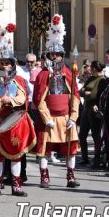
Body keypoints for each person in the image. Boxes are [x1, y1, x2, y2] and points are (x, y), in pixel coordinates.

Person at [0, 27, 33, 197]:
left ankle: (16, 185)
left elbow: (22, 98)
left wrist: (9, 100)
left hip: (14, 122)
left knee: (15, 155)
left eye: (7, 62)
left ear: (12, 64)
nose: (5, 65)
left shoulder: (19, 80)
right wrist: (0, 100)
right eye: (2, 63)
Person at [32, 15, 81, 188]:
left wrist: (73, 118)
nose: (55, 57)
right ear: (47, 55)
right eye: (52, 54)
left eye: (58, 55)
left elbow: (75, 96)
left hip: (66, 118)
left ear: (62, 56)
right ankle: (44, 177)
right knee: (44, 150)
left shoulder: (69, 72)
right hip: (49, 119)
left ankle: (71, 176)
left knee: (71, 149)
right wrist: (47, 118)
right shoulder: (42, 74)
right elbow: (39, 98)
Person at [78, 61, 107, 168]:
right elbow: (80, 91)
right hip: (86, 108)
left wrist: (87, 93)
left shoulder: (103, 80)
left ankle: (97, 159)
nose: (89, 69)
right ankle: (84, 158)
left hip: (94, 110)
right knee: (82, 135)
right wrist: (85, 92)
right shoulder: (90, 78)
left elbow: (94, 94)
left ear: (94, 68)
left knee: (96, 136)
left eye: (91, 67)